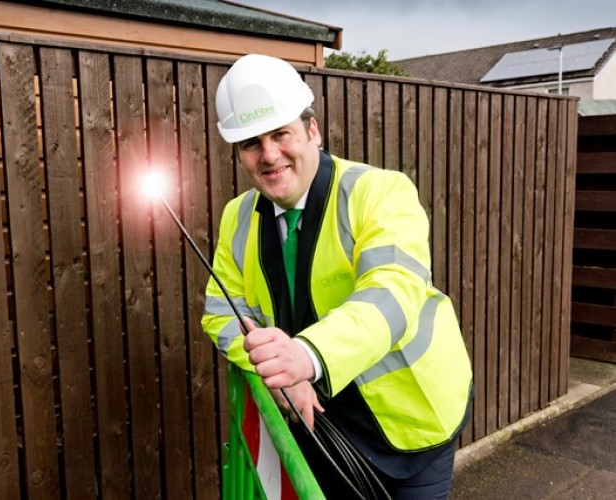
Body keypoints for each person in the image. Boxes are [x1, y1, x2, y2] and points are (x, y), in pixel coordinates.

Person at [201, 54, 473, 499]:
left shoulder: (380, 191)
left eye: (280, 134)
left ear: (312, 131)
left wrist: (303, 358)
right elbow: (221, 313)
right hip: (320, 422)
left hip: (413, 422)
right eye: (252, 142)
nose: (269, 154)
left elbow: (393, 292)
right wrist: (280, 370)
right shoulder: (238, 217)